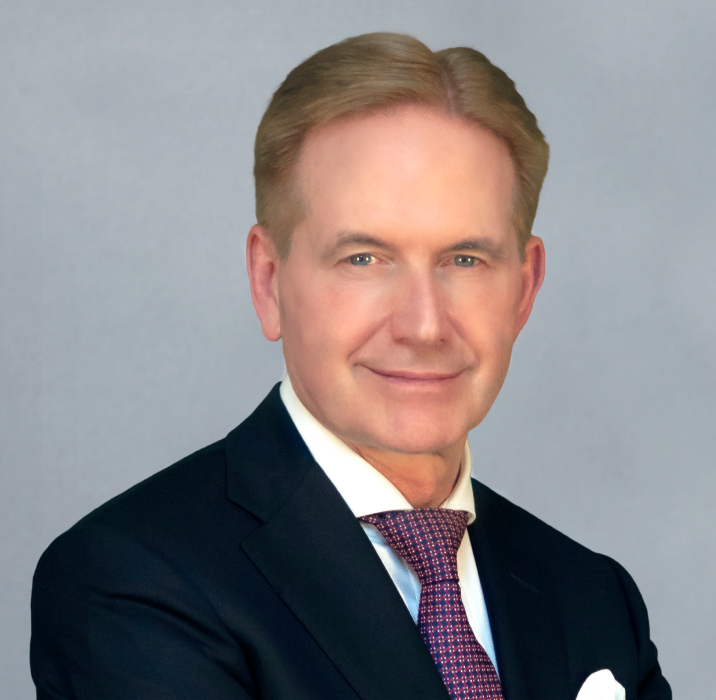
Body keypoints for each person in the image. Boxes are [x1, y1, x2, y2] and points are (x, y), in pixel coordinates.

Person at [31, 33, 671, 700]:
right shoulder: (133, 583)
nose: (423, 326)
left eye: (465, 260)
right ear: (269, 281)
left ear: (524, 287)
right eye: (364, 258)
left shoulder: (593, 598)